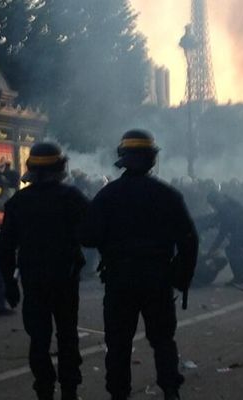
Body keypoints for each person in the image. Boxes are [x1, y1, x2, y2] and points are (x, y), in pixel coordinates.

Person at [80, 130, 198, 400]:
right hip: (157, 278)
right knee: (163, 340)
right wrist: (180, 276)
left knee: (119, 343)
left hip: (119, 278)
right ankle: (170, 390)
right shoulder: (167, 195)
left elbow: (87, 236)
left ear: (123, 159)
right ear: (151, 159)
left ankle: (119, 394)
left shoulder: (107, 195)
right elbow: (189, 240)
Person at [0, 142, 89, 400]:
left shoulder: (18, 201)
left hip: (33, 279)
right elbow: (93, 232)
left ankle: (44, 391)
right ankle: (69, 391)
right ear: (60, 167)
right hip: (65, 278)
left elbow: (5, 248)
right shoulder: (72, 197)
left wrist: (9, 283)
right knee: (67, 334)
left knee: (39, 338)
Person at [202, 191, 243, 291]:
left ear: (214, 202)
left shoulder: (225, 209)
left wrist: (211, 251)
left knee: (234, 250)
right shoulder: (226, 204)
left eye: (212, 204)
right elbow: (218, 222)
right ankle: (242, 277)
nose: (212, 206)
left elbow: (222, 234)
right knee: (233, 250)